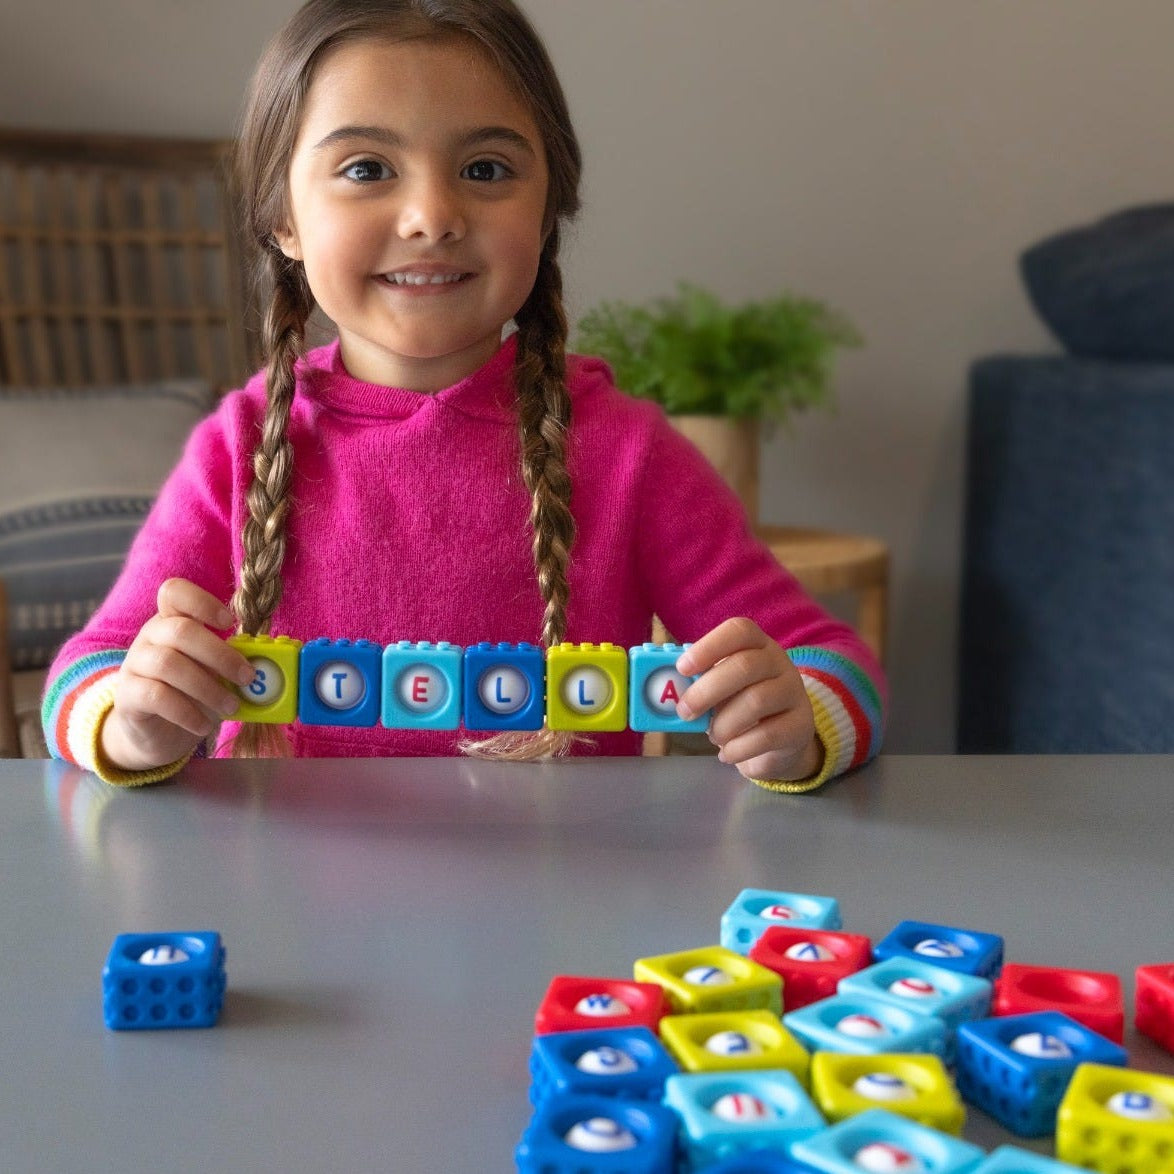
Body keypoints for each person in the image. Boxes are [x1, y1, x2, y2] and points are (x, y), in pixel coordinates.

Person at [41, 0, 885, 792]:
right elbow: (83, 679)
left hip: (563, 912)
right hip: (278, 911)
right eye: (367, 168)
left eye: (485, 168)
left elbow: (832, 664)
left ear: (548, 208)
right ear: (282, 218)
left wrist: (796, 722)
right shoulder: (238, 447)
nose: (431, 215)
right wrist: (131, 726)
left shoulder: (628, 452)